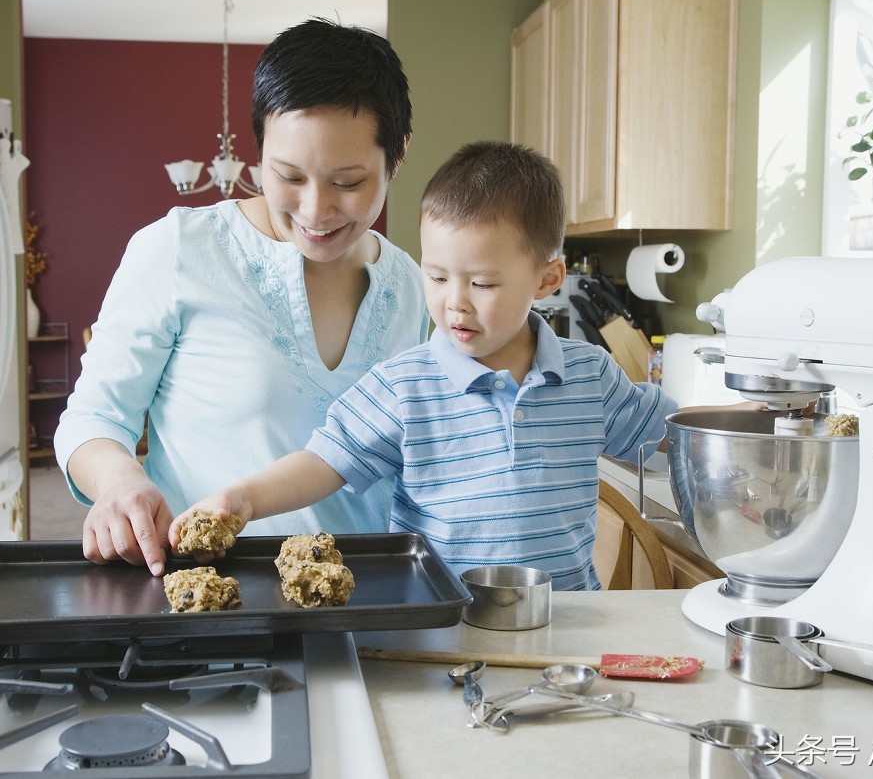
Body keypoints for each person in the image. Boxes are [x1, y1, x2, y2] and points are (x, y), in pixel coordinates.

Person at [172, 141, 677, 590]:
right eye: (436, 278)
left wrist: (747, 426)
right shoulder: (404, 385)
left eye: (481, 284)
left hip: (566, 632)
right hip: (442, 627)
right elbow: (324, 462)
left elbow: (671, 433)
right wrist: (246, 497)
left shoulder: (591, 376)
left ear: (547, 279)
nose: (455, 303)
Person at [56, 19, 430, 578]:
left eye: (348, 183)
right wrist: (119, 483)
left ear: (396, 156)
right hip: (212, 594)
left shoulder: (413, 286)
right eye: (287, 176)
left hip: (370, 595)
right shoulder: (179, 249)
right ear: (259, 154)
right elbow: (91, 419)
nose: (314, 210)